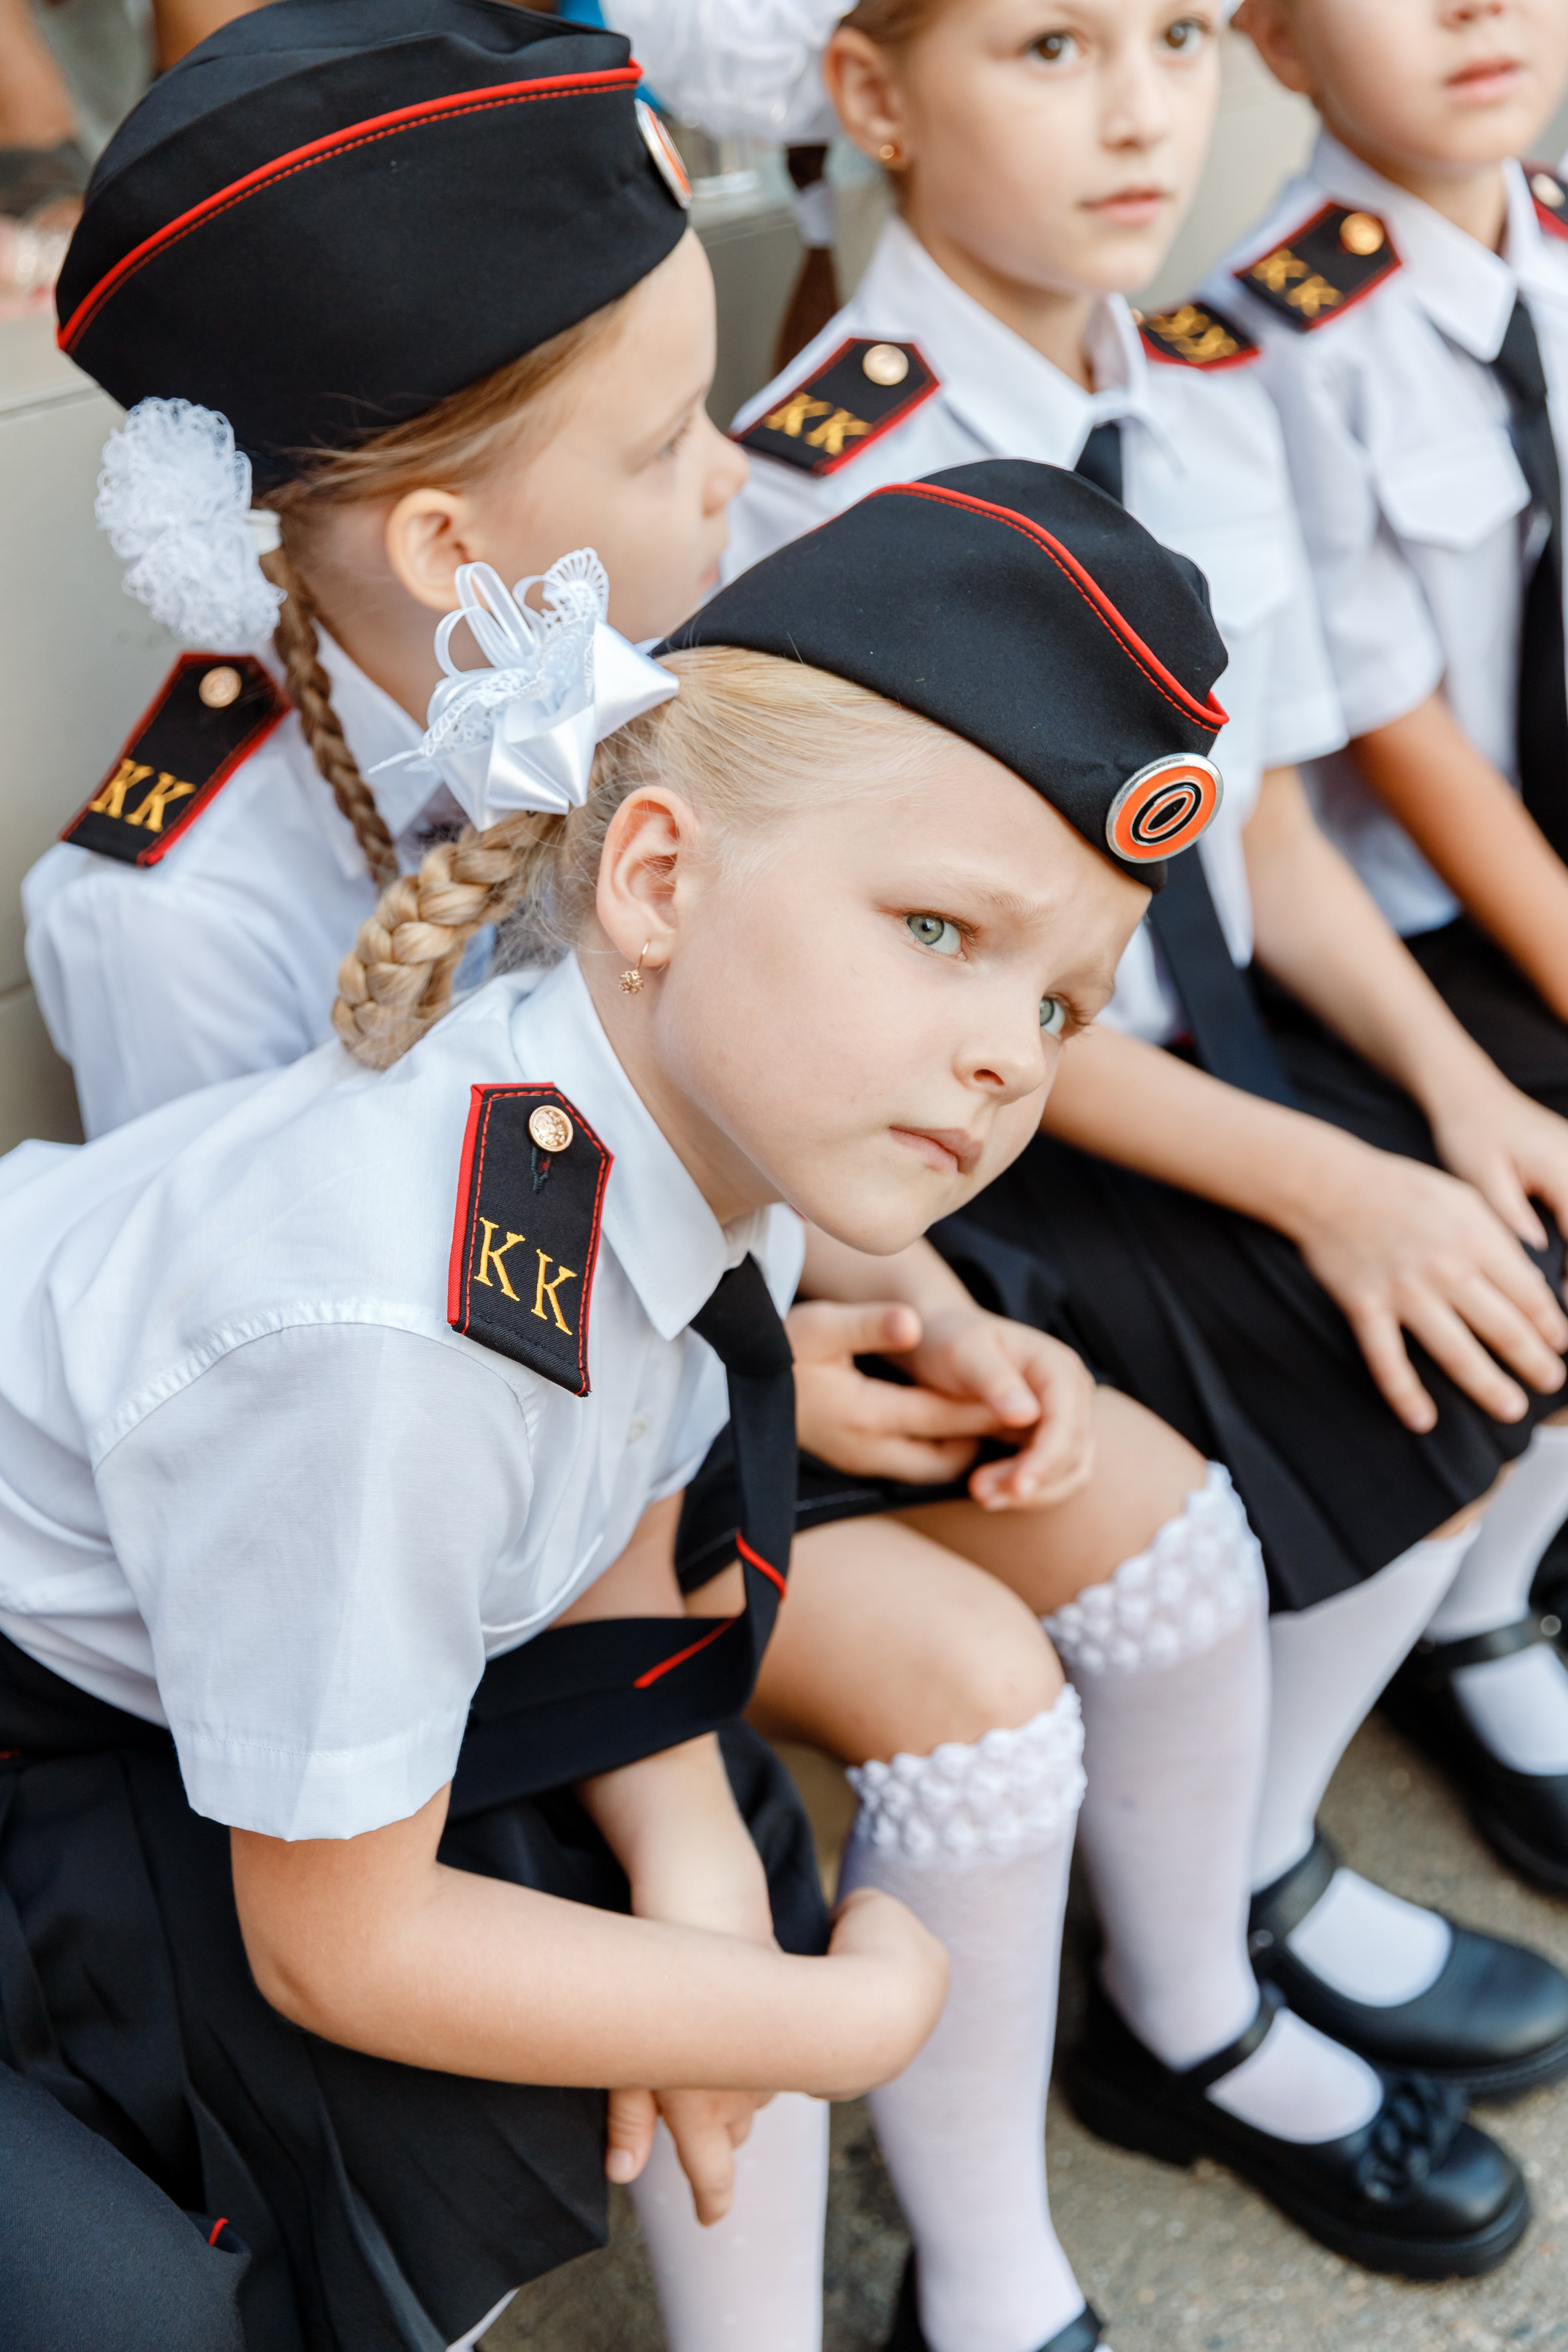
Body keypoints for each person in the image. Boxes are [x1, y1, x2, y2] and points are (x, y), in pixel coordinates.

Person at [0, 436, 1300, 2343]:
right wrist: (835, 2013)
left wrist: (691, 1839)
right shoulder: (400, 1335)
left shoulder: (687, 1120)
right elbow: (336, 1942)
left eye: (1055, 1005)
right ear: (658, 876)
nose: (1006, 1060)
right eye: (938, 931)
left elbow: (603, 1461)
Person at [676, 0, 1568, 2156]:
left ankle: (1319, 1778)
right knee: (1390, 1339)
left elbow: (1251, 815)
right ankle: (1211, 1917)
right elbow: (911, 1012)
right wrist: (1328, 1182)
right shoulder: (830, 459)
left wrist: (1448, 1095)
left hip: (1205, 1045)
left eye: (1176, 32)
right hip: (994, 1137)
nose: (1148, 107)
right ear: (876, 101)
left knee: (1519, 1183)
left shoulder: (1163, 374)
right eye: (1053, 47)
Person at [23, 0, 747, 1138]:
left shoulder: (652, 674)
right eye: (666, 443)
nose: (733, 471)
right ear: (447, 550)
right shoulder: (178, 918)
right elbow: (246, 1300)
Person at [1216, 0, 1568, 1890]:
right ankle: (1471, 1610)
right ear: (1270, 41)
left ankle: (1507, 1571)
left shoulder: (1554, 240)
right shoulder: (1276, 332)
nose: (1477, 9)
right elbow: (1394, 730)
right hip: (1398, 934)